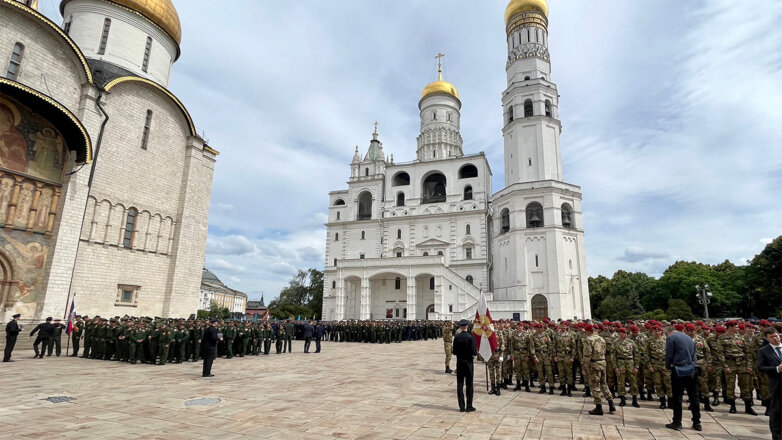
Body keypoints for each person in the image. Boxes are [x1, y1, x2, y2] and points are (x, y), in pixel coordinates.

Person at [664, 324, 701, 432]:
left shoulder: (671, 338)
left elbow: (669, 355)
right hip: (691, 370)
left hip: (679, 370)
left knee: (677, 397)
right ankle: (697, 422)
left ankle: (677, 422)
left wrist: (668, 366)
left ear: (669, 332)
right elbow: (694, 354)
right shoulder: (689, 338)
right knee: (694, 397)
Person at [757, 326, 782, 440]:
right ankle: (776, 435)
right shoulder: (764, 351)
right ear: (767, 339)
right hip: (777, 385)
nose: (775, 339)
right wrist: (777, 368)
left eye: (776, 336)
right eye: (771, 337)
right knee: (776, 411)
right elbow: (761, 367)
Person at [452, 319, 476, 412]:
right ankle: (469, 406)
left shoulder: (457, 337)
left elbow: (454, 352)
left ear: (460, 327)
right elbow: (474, 352)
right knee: (469, 384)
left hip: (460, 362)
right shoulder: (470, 337)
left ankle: (461, 406)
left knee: (460, 384)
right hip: (469, 362)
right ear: (467, 326)